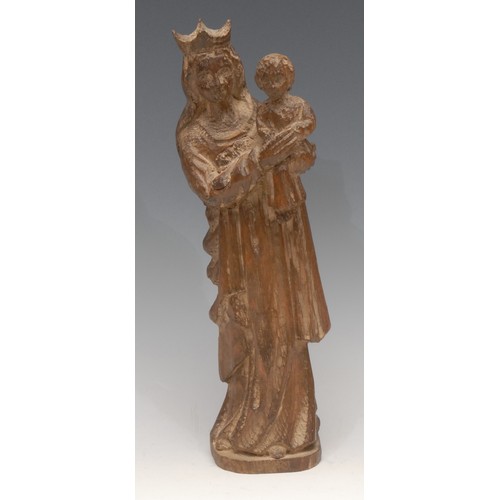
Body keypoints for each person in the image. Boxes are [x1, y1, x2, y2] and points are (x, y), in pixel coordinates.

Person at [174, 21, 330, 462]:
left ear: (236, 70)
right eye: (203, 73)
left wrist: (299, 155)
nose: (215, 81)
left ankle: (295, 423)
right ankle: (250, 423)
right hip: (241, 242)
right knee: (251, 324)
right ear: (191, 81)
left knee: (284, 323)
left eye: (222, 69)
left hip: (278, 228)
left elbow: (296, 153)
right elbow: (212, 187)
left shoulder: (257, 113)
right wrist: (261, 158)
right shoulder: (193, 136)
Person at [255, 53, 317, 222]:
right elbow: (261, 127)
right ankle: (277, 204)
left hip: (297, 150)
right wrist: (270, 135)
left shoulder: (298, 104)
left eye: (278, 79)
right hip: (277, 149)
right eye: (266, 79)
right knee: (270, 169)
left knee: (283, 167)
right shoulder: (263, 109)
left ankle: (288, 202)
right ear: (260, 82)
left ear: (289, 80)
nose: (272, 85)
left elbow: (310, 121)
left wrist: (297, 129)